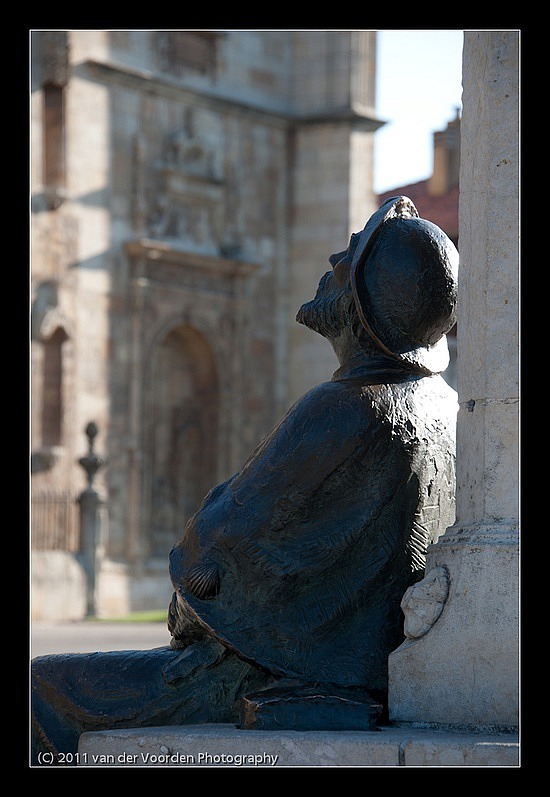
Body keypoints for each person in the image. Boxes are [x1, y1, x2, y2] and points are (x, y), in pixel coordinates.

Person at [31, 196, 459, 763]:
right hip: (352, 665)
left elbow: (220, 552)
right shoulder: (440, 405)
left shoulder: (345, 406)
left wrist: (190, 592)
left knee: (43, 689)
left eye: (350, 255)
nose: (334, 256)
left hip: (278, 671)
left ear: (364, 300)